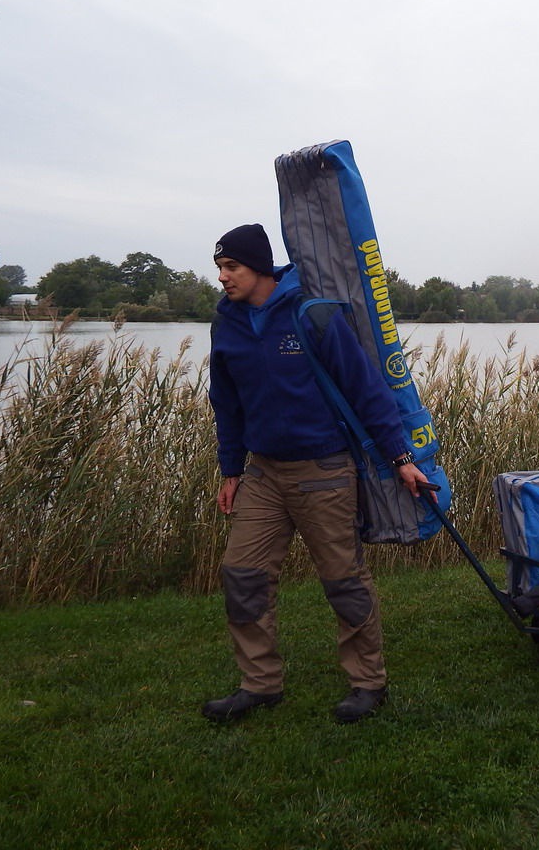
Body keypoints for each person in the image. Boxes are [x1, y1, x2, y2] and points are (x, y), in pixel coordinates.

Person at [201, 223, 430, 725]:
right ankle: (260, 684)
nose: (222, 277)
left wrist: (401, 458)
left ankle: (368, 682)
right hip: (263, 473)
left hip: (323, 471)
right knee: (242, 575)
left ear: (259, 268)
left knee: (343, 581)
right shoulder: (227, 325)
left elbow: (367, 390)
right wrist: (231, 469)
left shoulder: (313, 315)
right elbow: (228, 403)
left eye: (231, 267)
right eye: (219, 267)